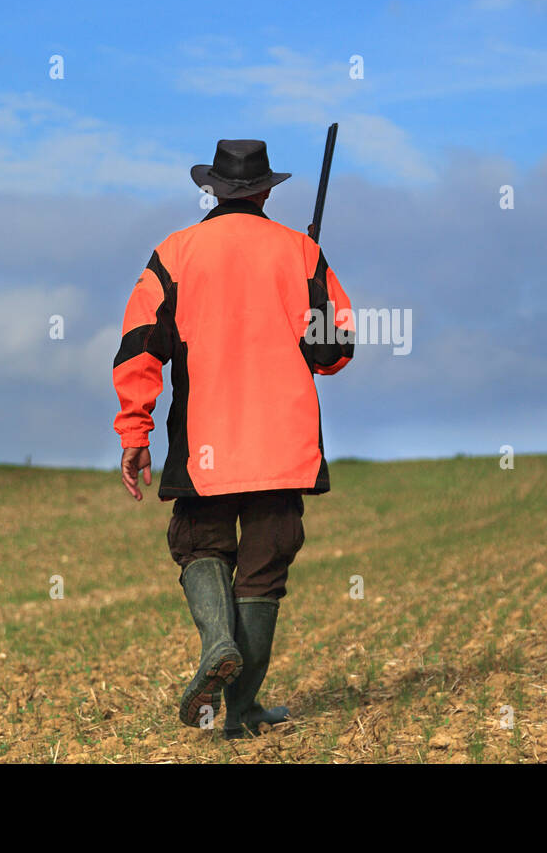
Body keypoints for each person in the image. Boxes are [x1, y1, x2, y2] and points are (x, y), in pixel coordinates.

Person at [112, 139, 355, 738]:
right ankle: (240, 711)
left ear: (213, 190)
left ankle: (217, 641)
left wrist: (134, 430)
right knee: (263, 571)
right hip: (282, 447)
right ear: (266, 191)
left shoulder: (174, 253)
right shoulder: (302, 253)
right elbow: (334, 352)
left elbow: (140, 347)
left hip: (205, 448)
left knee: (201, 548)